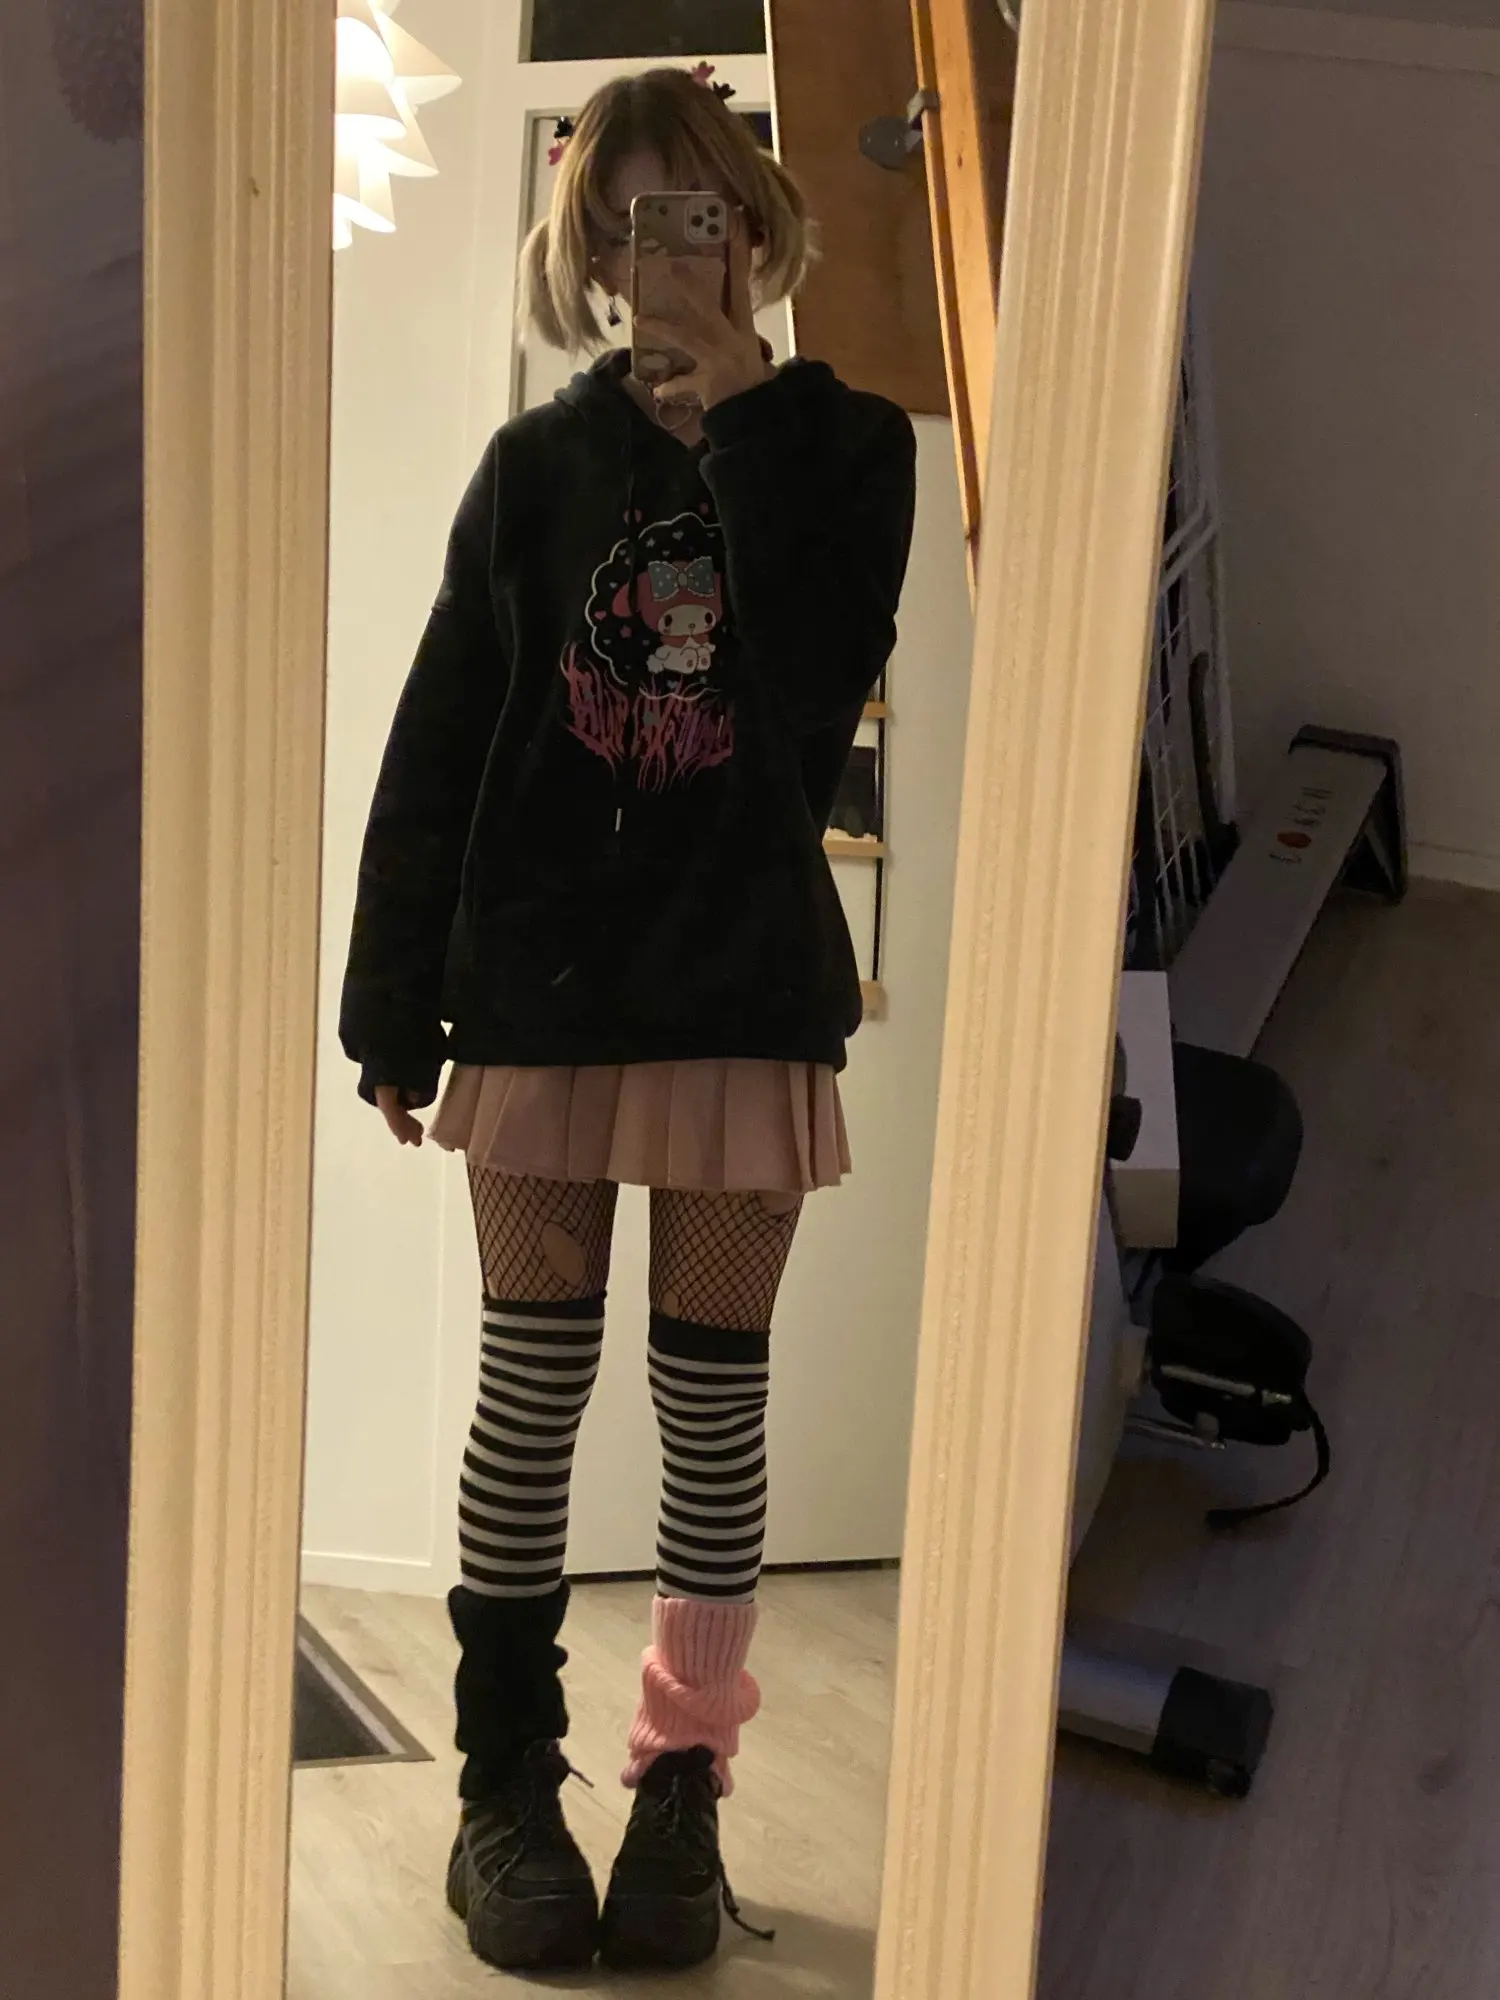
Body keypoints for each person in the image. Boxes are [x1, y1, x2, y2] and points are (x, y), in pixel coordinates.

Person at [339, 64, 916, 1976]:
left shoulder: (849, 450)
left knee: (714, 1413)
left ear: (757, 228)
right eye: (631, 223)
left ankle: (684, 1787)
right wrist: (391, 998)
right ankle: (504, 1789)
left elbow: (813, 699)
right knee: (528, 1398)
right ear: (587, 256)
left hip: (742, 984)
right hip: (543, 992)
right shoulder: (535, 470)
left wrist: (739, 420)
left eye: (700, 212)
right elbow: (441, 736)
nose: (668, 252)